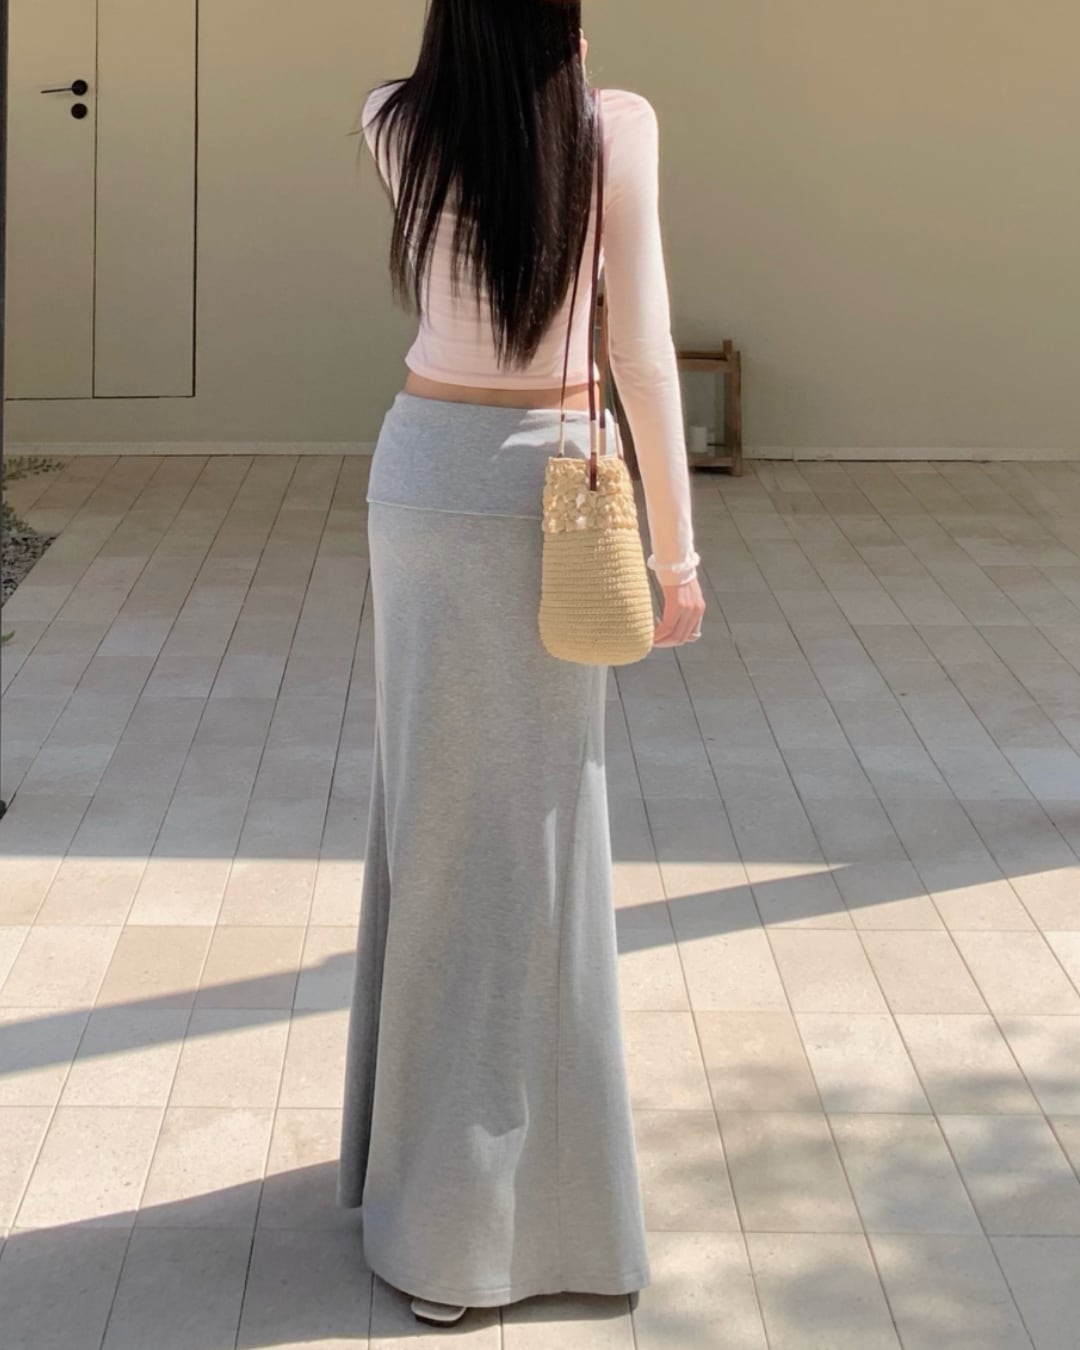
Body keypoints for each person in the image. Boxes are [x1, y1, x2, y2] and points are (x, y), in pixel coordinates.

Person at [337, 0, 704, 1328]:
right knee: (542, 838)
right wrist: (677, 553)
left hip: (421, 475)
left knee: (433, 823)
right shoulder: (615, 129)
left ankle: (423, 1193)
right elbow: (641, 356)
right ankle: (511, 1225)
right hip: (555, 489)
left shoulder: (392, 120)